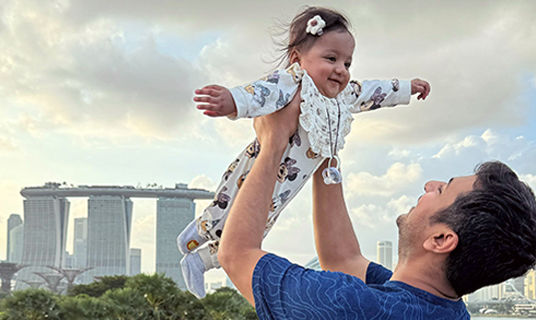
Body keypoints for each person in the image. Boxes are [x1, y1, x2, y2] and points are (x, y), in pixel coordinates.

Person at [176, 6, 430, 299]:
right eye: (331, 58)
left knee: (259, 225)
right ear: (298, 59)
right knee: (231, 197)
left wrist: (408, 87)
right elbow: (259, 93)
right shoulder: (292, 83)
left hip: (290, 181)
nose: (341, 70)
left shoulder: (343, 97)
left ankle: (201, 259)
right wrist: (231, 100)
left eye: (347, 63)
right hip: (260, 165)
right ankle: (198, 232)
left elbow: (374, 92)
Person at [218, 96, 536, 319]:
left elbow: (236, 254)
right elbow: (342, 259)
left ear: (441, 239)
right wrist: (325, 151)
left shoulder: (350, 307)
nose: (429, 185)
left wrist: (272, 142)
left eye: (442, 190)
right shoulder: (442, 309)